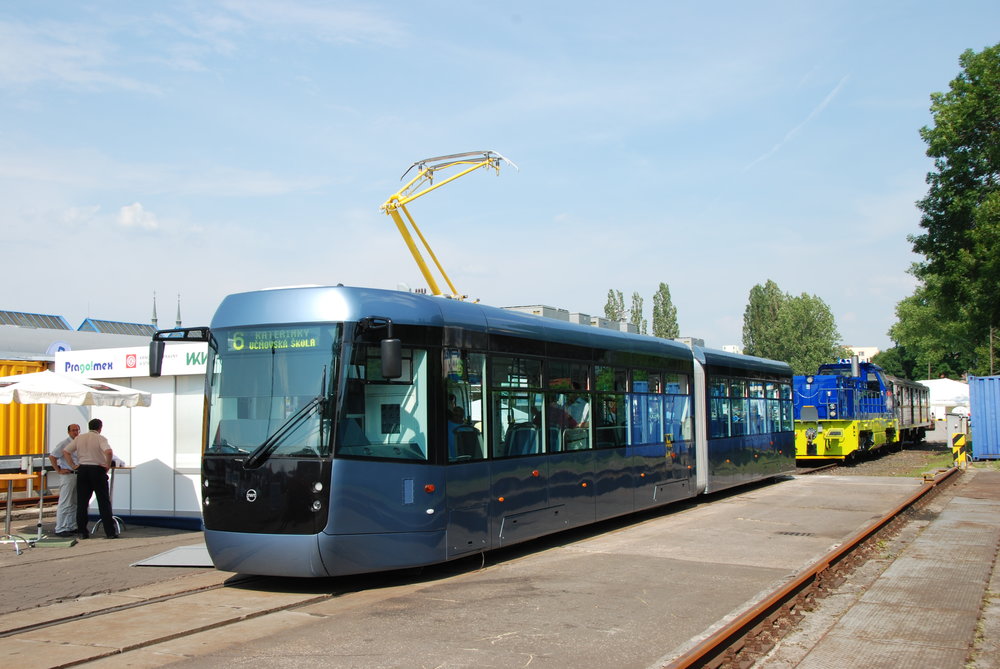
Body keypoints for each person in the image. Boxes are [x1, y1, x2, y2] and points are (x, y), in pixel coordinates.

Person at [64, 418, 117, 539]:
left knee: (82, 502)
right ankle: (110, 532)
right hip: (97, 469)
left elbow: (66, 451)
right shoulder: (100, 438)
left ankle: (82, 531)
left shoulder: (79, 438)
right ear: (100, 427)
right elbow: (108, 451)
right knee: (103, 502)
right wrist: (107, 465)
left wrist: (73, 465)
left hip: (82, 470)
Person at [47, 423, 81, 537]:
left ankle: (71, 525)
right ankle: (60, 527)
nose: (76, 432)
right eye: (73, 430)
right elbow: (52, 456)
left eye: (77, 430)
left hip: (77, 474)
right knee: (65, 501)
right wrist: (58, 470)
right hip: (68, 474)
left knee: (74, 501)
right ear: (69, 432)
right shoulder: (64, 443)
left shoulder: (78, 443)